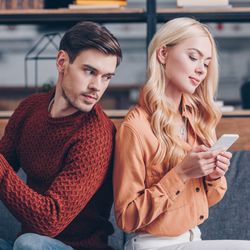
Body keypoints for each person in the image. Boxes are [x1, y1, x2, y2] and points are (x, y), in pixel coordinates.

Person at [113, 17, 250, 250]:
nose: (201, 70)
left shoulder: (195, 120)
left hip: (193, 240)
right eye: (193, 57)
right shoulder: (135, 128)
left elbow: (207, 201)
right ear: (163, 54)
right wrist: (181, 173)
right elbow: (126, 217)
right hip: (153, 245)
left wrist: (214, 175)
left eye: (206, 63)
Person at [0, 21, 122, 250]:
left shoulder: (96, 135)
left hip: (79, 247)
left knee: (29, 244)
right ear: (62, 62)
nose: (97, 86)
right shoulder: (30, 109)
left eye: (106, 77)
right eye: (90, 71)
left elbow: (49, 222)